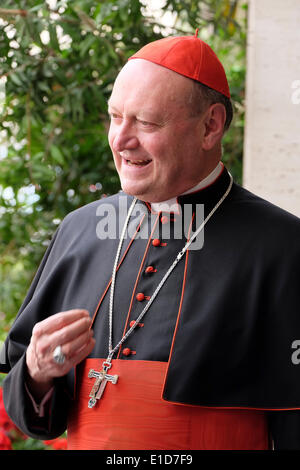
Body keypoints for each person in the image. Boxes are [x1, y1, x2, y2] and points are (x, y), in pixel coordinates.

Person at [1, 31, 300, 450]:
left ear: (210, 126)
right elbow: (34, 415)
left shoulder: (284, 247)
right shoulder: (78, 230)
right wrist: (37, 370)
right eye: (115, 116)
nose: (121, 141)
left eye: (146, 122)